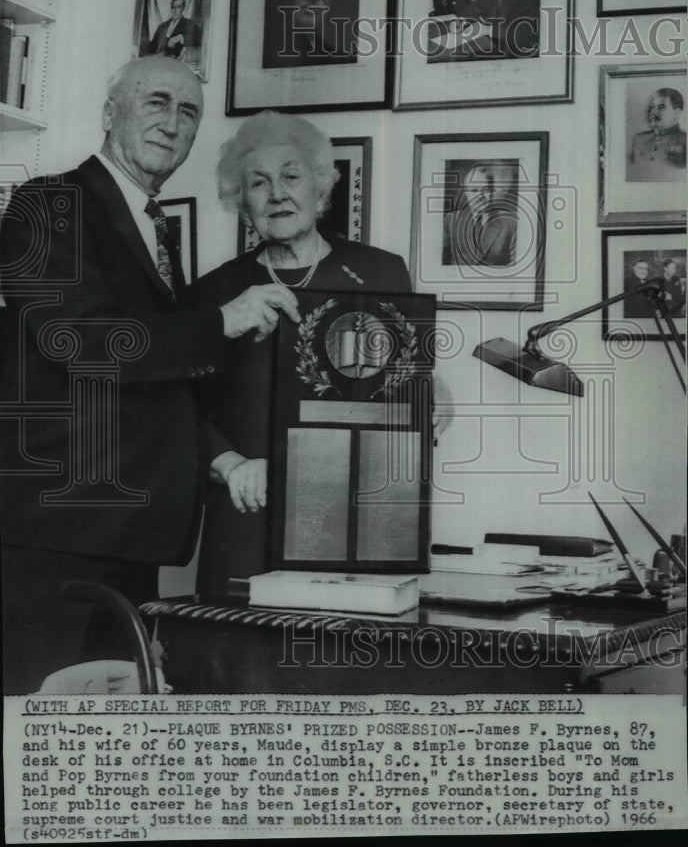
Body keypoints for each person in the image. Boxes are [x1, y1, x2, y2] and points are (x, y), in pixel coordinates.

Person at [0, 56, 300, 693]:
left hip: (126, 539)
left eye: (188, 111)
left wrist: (221, 463)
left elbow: (153, 381)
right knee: (35, 739)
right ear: (112, 114)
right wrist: (219, 320)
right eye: (156, 102)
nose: (172, 122)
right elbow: (79, 341)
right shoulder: (48, 202)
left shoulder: (151, 220)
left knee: (102, 749)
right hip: (57, 537)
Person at [191, 110, 429, 592]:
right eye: (258, 183)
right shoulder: (211, 293)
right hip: (247, 509)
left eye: (291, 176)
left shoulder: (380, 273)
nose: (277, 193)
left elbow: (398, 392)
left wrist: (424, 389)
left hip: (352, 517)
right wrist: (229, 464)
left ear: (320, 189)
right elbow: (179, 405)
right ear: (242, 202)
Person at [443, 161, 518, 267]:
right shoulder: (451, 221)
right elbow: (441, 265)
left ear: (492, 191)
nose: (480, 196)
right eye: (474, 190)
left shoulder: (511, 222)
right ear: (466, 194)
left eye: (486, 190)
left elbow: (515, 268)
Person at [628, 88, 686, 183]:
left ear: (677, 113)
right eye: (652, 107)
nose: (653, 112)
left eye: (661, 107)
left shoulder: (685, 141)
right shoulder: (639, 139)